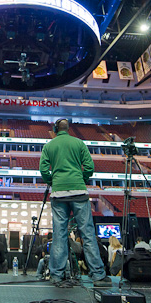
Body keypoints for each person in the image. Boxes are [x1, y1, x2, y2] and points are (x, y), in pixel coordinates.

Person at [39, 118, 112, 288]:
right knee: (87, 233)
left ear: (56, 129)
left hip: (59, 194)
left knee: (59, 235)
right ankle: (98, 276)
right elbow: (89, 167)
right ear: (68, 128)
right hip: (79, 192)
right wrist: (82, 179)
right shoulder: (79, 143)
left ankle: (56, 275)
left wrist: (52, 181)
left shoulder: (49, 146)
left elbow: (43, 170)